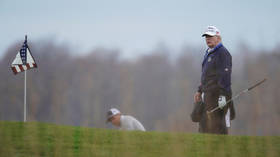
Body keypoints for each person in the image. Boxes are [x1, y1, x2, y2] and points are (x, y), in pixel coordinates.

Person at [191, 26, 235, 134]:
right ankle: (205, 148)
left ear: (218, 38)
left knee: (218, 125)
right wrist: (199, 90)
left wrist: (223, 96)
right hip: (208, 95)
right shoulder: (210, 52)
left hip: (218, 95)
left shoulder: (222, 53)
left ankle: (220, 149)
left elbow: (225, 76)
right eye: (206, 36)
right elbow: (206, 76)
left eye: (210, 36)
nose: (208, 39)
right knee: (204, 124)